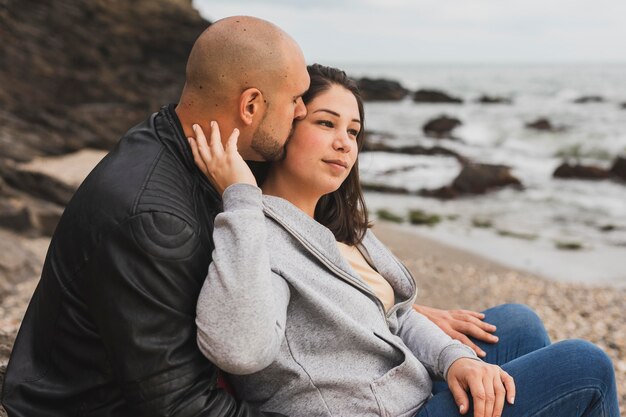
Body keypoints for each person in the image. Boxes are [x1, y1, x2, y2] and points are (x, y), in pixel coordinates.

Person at [189, 64, 620, 417]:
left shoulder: (336, 226)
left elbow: (394, 313)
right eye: (326, 123)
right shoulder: (257, 232)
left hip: (403, 387)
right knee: (587, 364)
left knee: (518, 324)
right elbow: (239, 349)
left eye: (354, 131)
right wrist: (241, 197)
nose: (344, 143)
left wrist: (456, 358)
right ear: (285, 129)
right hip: (368, 409)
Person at [1, 16, 309, 416]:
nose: (302, 111)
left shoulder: (176, 141)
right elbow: (181, 406)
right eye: (295, 98)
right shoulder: (155, 221)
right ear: (250, 105)